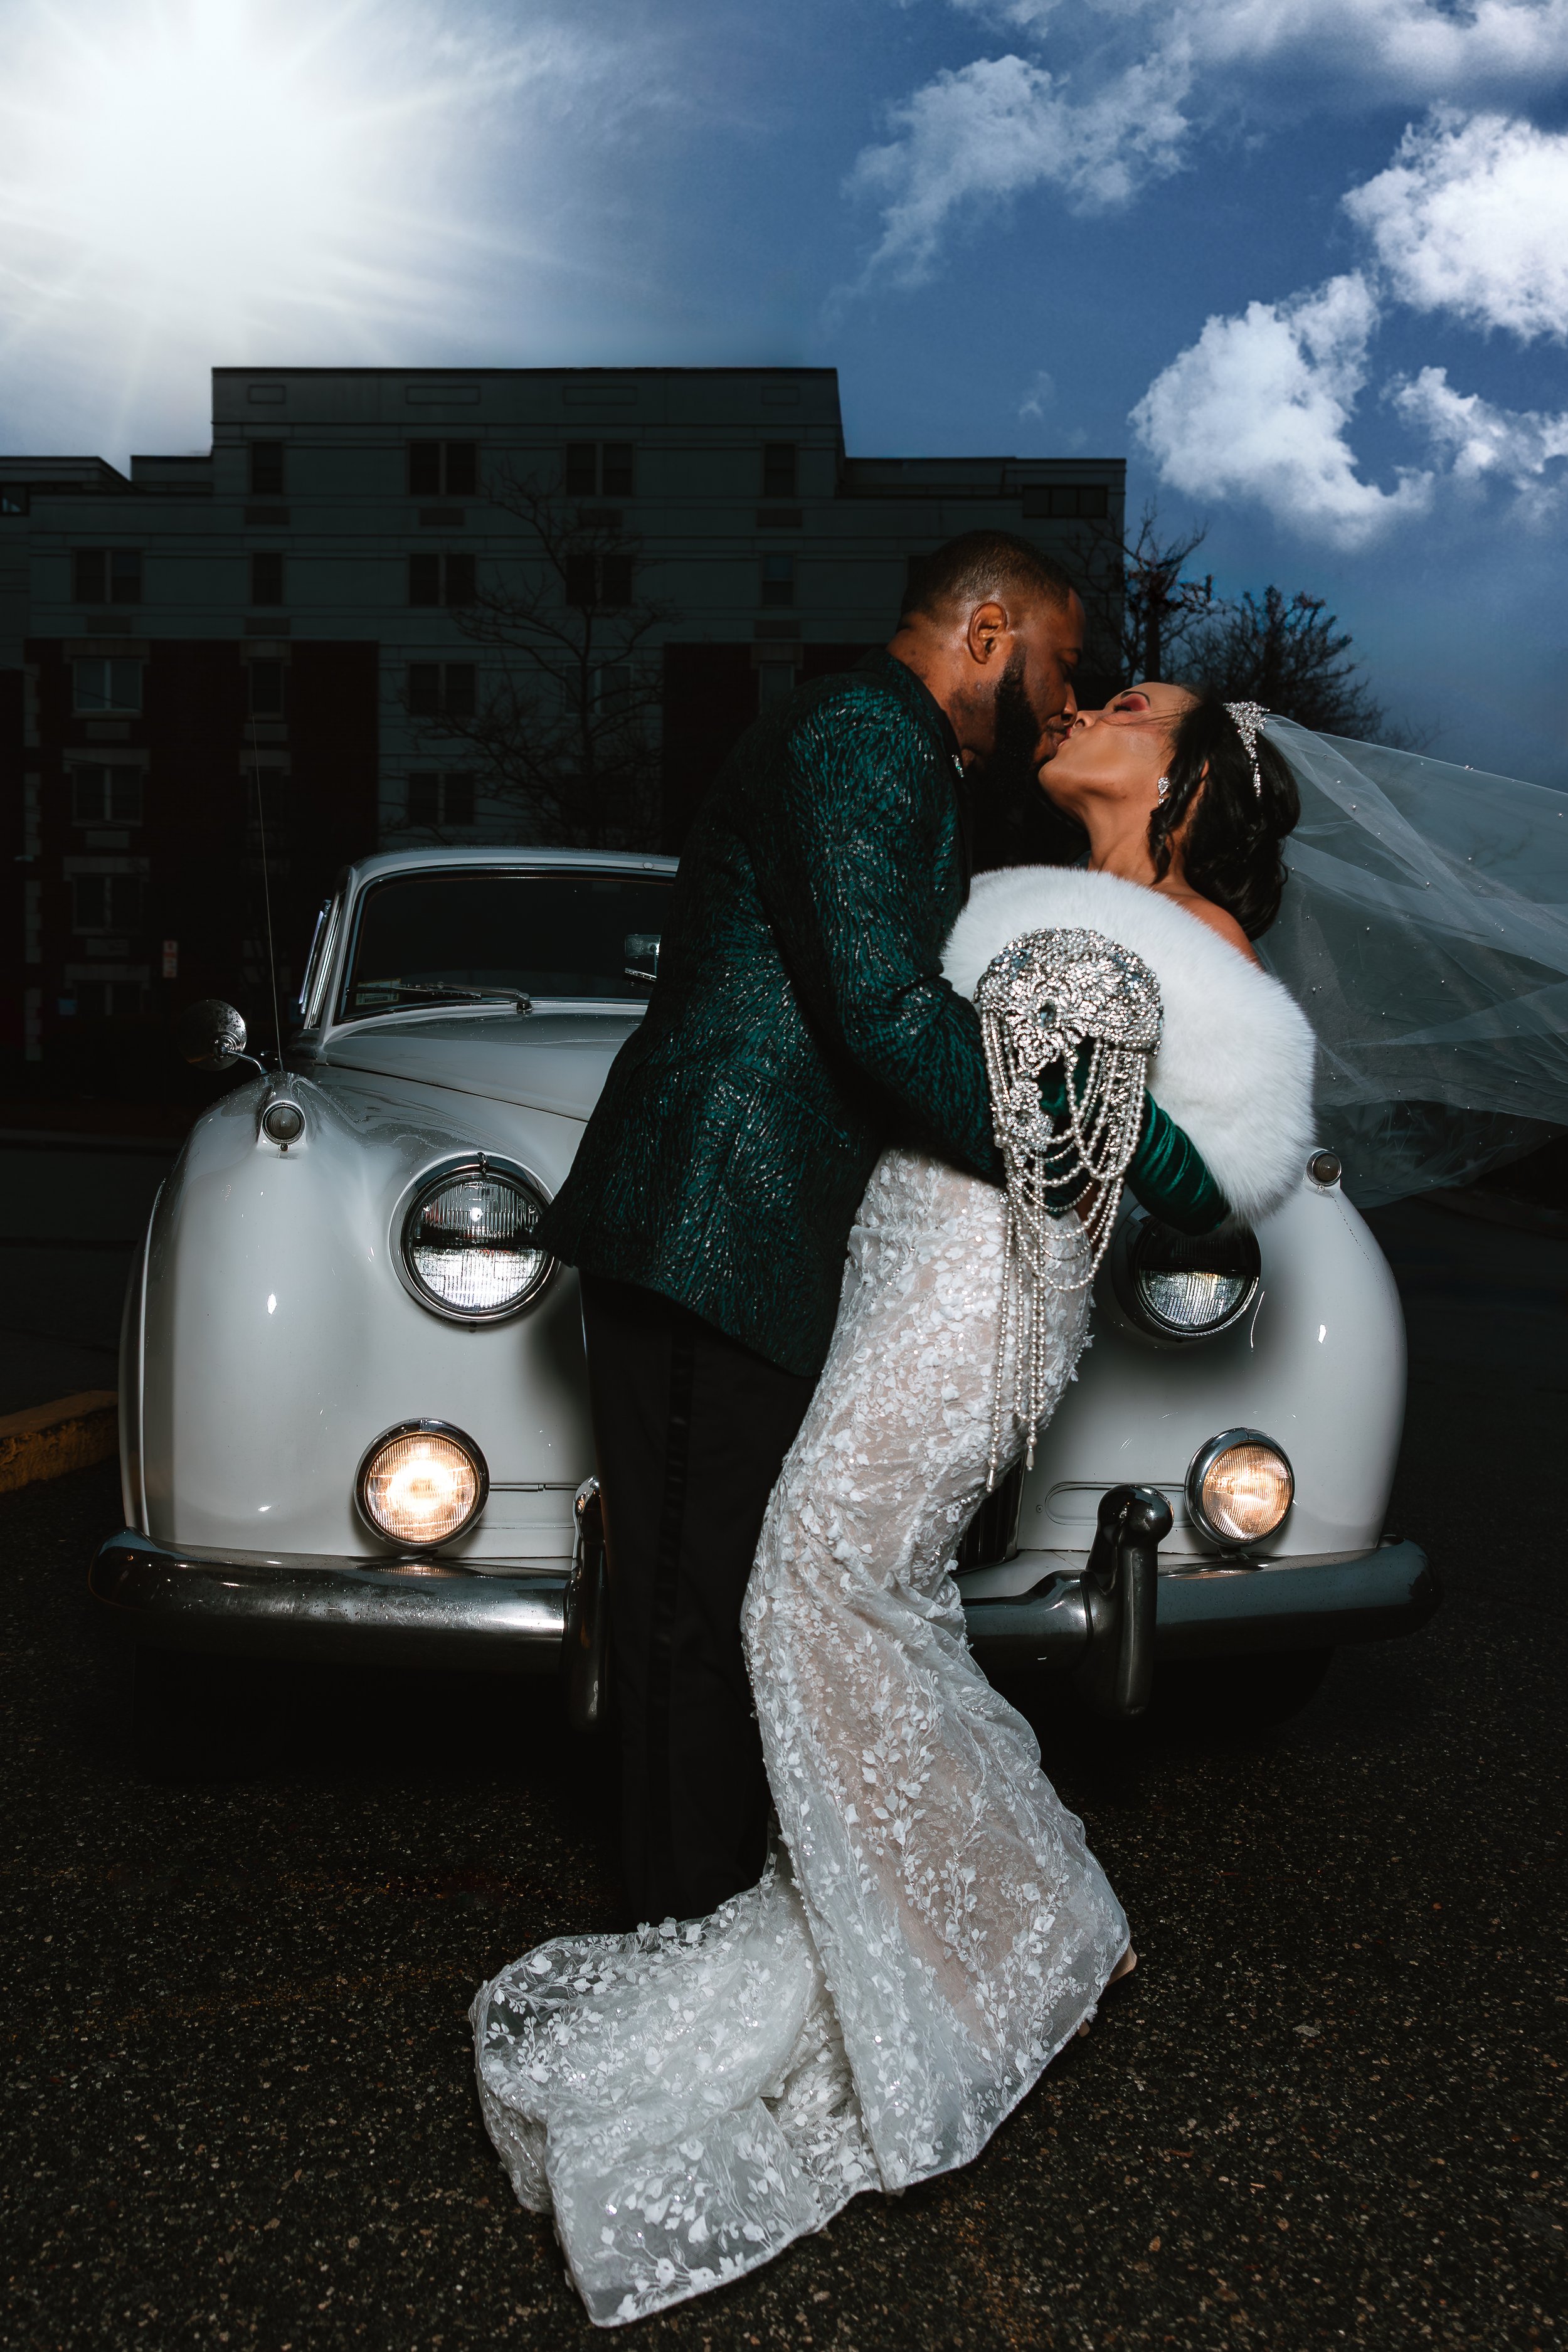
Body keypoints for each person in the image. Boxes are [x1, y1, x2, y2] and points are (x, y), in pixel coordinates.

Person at [473, 684, 1316, 2326]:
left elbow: (1128, 1172)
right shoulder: (1015, 896)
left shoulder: (1175, 934)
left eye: (1131, 705)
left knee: (816, 1572)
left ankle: (1033, 1923)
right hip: (892, 1264)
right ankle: (1027, 1909)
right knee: (853, 1589)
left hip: (969, 1297)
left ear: (1188, 775)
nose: (1087, 706)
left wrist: (1138, 1163)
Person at [535, 529, 1091, 1931]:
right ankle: (681, 1942)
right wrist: (1070, 1150)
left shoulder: (909, 757)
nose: (1066, 696)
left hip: (758, 1235)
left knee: (722, 1597)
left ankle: (710, 1918)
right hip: (708, 1218)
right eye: (1059, 662)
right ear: (986, 630)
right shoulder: (862, 735)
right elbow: (884, 1010)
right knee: (687, 1606)